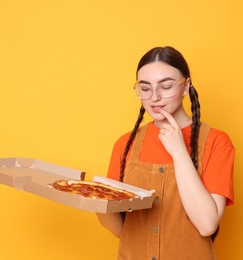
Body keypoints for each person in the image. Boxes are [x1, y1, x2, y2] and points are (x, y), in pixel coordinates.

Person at [97, 46, 235, 260]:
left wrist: (179, 150)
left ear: (186, 86)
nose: (155, 97)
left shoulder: (217, 142)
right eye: (145, 89)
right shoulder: (126, 144)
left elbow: (207, 224)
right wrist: (95, 201)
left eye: (166, 86)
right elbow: (121, 229)